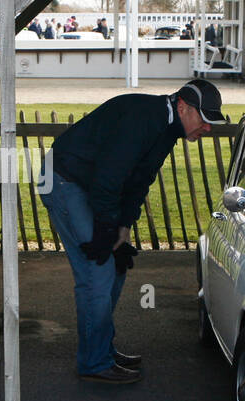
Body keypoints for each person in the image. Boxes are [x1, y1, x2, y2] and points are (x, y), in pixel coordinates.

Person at [41, 79, 223, 384]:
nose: (208, 129)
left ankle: (101, 350)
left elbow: (139, 180)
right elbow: (108, 178)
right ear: (183, 107)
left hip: (89, 183)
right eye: (204, 119)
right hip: (63, 179)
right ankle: (94, 362)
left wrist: (123, 227)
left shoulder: (168, 130)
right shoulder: (145, 119)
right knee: (96, 271)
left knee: (115, 267)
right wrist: (104, 230)